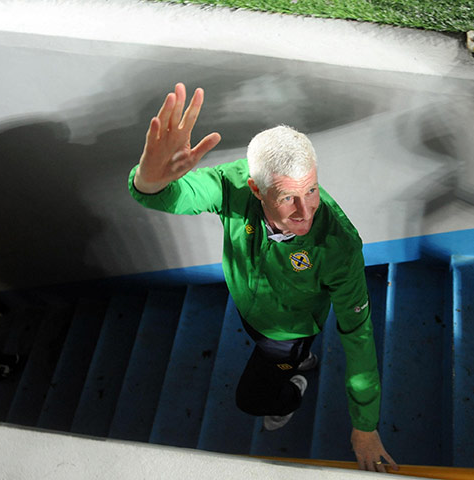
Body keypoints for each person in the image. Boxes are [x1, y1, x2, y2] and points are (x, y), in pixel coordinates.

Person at [128, 83, 398, 473]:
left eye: (312, 190)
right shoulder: (234, 184)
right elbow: (173, 195)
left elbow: (358, 333)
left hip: (288, 335)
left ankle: (294, 387)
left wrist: (365, 425)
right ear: (255, 189)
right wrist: (149, 180)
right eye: (289, 198)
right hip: (250, 310)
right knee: (259, 341)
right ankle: (302, 363)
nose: (305, 211)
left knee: (252, 400)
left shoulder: (339, 245)